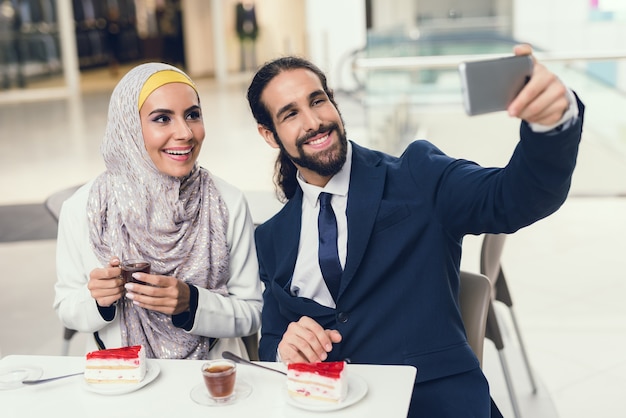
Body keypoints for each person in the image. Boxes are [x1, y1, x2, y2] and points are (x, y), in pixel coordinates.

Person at [246, 44, 583, 417]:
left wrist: (552, 124)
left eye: (318, 101)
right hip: (332, 406)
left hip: (432, 404)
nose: (313, 121)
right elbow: (273, 340)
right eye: (290, 114)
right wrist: (284, 349)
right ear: (269, 135)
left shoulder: (417, 175)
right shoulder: (272, 237)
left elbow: (514, 197)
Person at [54, 62, 263, 360]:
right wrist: (99, 301)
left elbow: (252, 312)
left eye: (193, 115)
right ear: (129, 126)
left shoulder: (227, 202)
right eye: (162, 118)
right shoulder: (84, 208)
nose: (185, 133)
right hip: (121, 380)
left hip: (211, 378)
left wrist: (191, 303)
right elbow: (66, 308)